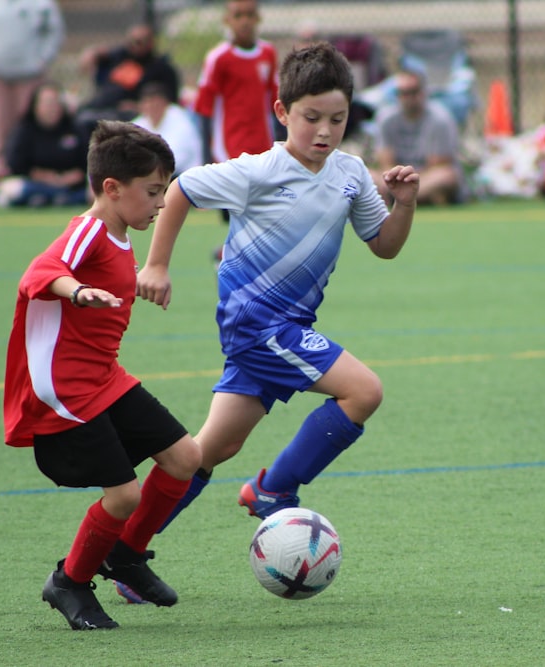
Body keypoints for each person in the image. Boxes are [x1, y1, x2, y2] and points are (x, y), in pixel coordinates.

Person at [123, 42, 418, 602]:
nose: (324, 131)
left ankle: (126, 550)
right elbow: (183, 188)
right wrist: (156, 264)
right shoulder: (259, 171)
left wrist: (403, 204)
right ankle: (273, 490)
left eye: (337, 118)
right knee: (364, 391)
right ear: (283, 112)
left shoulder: (352, 174)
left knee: (203, 453)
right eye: (311, 118)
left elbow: (383, 246)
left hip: (283, 328)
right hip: (259, 325)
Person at [2, 120, 202, 630]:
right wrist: (75, 291)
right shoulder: (89, 228)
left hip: (103, 377)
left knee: (185, 458)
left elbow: (103, 274)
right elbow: (38, 274)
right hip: (65, 390)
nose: (161, 205)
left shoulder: (118, 233)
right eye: (154, 192)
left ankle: (126, 555)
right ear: (112, 189)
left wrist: (134, 285)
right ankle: (69, 582)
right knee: (125, 495)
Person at [0, 0, 64, 180]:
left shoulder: (41, 4)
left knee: (27, 120)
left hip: (30, 72)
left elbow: (54, 31)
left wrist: (43, 58)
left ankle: (27, 168)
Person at [194, 0, 278, 166]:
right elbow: (204, 109)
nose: (244, 21)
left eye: (250, 15)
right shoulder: (218, 58)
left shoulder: (268, 53)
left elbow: (274, 101)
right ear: (227, 20)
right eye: (238, 15)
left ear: (258, 18)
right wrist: (206, 156)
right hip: (228, 149)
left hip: (263, 146)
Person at [369, 67, 463, 206]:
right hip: (396, 178)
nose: (408, 98)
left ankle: (403, 197)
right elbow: (385, 161)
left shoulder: (440, 119)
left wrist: (409, 181)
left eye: (412, 92)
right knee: (366, 174)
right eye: (403, 93)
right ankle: (408, 197)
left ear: (423, 92)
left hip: (425, 178)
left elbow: (437, 164)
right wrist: (396, 180)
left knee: (446, 176)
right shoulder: (386, 119)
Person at [0, 81, 89, 208]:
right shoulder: (24, 130)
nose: (52, 108)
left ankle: (53, 199)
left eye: (55, 103)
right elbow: (15, 164)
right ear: (36, 106)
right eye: (47, 103)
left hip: (71, 186)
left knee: (90, 194)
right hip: (35, 184)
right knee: (13, 188)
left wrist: (73, 176)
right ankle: (49, 198)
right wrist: (42, 176)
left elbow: (88, 162)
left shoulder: (74, 128)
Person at [76, 23, 181, 135]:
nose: (135, 46)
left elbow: (170, 102)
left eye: (140, 42)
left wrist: (139, 106)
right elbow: (86, 64)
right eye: (131, 41)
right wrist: (92, 53)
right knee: (82, 118)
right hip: (103, 107)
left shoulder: (160, 68)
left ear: (151, 43)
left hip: (130, 115)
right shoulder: (119, 57)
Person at [131, 81, 203, 176]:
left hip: (183, 177)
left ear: (164, 103)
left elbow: (176, 160)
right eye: (147, 103)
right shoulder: (139, 123)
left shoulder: (181, 120)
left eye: (155, 103)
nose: (151, 108)